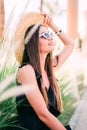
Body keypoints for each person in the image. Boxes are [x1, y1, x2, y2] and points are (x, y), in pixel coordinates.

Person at [13, 12, 74, 130]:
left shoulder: (49, 68)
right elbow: (43, 114)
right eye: (44, 35)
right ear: (33, 41)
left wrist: (52, 24)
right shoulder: (26, 71)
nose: (50, 37)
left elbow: (70, 44)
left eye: (50, 34)